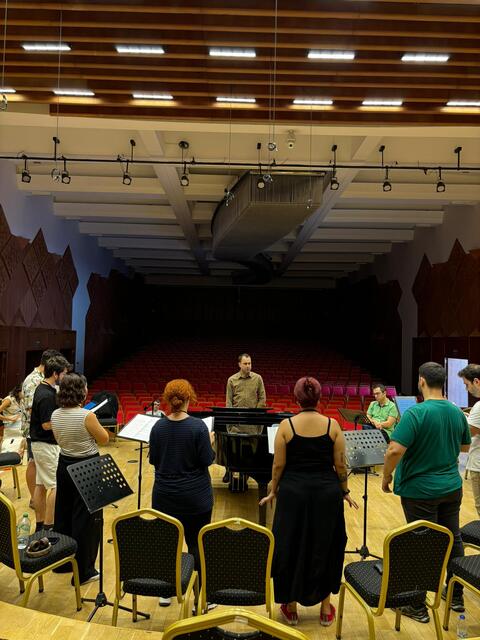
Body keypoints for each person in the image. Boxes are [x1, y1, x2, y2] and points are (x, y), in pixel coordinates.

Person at [260, 377, 358, 627]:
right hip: (327, 494)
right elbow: (340, 465)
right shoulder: (333, 425)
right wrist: (344, 491)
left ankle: (291, 608)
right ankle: (325, 609)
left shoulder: (286, 426)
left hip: (293, 493)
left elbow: (278, 465)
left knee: (290, 545)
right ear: (319, 398)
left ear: (296, 399)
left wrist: (273, 490)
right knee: (326, 545)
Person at [382, 361, 471, 623]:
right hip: (451, 487)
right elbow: (464, 447)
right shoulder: (456, 412)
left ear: (421, 381)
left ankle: (417, 605)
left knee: (419, 543)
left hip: (420, 491)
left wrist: (386, 476)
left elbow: (394, 450)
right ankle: (455, 596)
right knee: (453, 539)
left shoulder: (415, 413)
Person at [149, 379, 215, 606]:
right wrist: (210, 442)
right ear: (189, 398)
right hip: (195, 497)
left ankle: (167, 592)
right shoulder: (199, 427)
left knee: (169, 543)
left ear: (168, 400)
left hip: (164, 496)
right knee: (196, 544)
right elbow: (207, 460)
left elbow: (154, 460)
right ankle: (201, 598)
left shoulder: (158, 427)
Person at [51, 373, 109, 585]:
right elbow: (104, 439)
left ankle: (63, 562)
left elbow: (59, 439)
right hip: (87, 466)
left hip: (64, 464)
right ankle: (84, 571)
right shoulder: (87, 416)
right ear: (81, 391)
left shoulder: (55, 414)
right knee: (86, 520)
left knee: (64, 514)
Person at [29, 355, 70, 530]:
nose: (65, 377)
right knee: (55, 486)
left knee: (41, 484)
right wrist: (66, 421)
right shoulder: (46, 395)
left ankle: (40, 526)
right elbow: (46, 424)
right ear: (55, 374)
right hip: (46, 445)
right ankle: (49, 526)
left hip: (40, 444)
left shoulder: (44, 389)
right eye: (64, 374)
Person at [21, 349, 63, 506]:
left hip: (41, 429)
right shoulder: (33, 380)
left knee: (40, 474)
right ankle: (34, 499)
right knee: (33, 463)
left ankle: (38, 502)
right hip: (35, 430)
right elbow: (32, 408)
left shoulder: (43, 379)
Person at [458, 363, 480, 517]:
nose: (467, 389)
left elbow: (467, 434)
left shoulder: (479, 406)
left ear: (476, 381)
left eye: (467, 385)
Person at [0, 384, 22, 450]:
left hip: (19, 425)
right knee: (9, 446)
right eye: (24, 391)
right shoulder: (9, 400)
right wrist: (9, 419)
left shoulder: (20, 399)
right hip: (10, 426)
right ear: (18, 392)